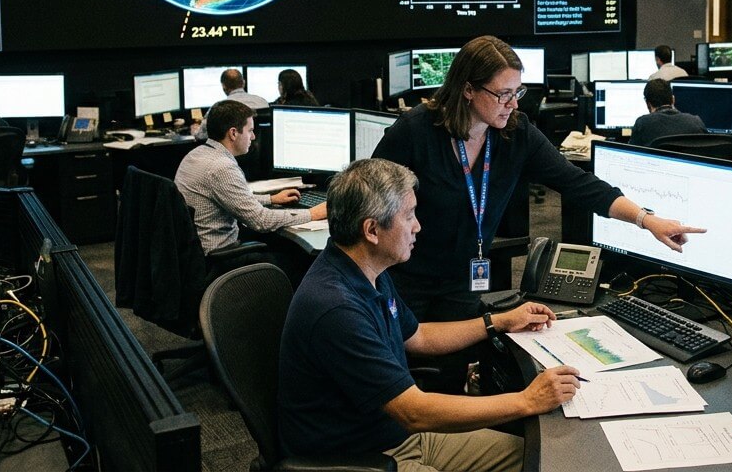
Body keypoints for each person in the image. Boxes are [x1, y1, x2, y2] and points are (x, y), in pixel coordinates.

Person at [308, 36, 704, 325]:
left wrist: (646, 220)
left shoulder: (516, 133)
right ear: (467, 90)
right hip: (406, 277)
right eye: (502, 94)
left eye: (518, 92)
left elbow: (577, 183)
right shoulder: (416, 131)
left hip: (465, 277)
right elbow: (368, 197)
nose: (513, 104)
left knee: (455, 371)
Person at [278, 158, 579, 470]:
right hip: (359, 458)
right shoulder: (337, 308)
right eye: (408, 216)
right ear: (372, 230)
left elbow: (418, 336)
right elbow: (414, 411)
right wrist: (528, 401)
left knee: (537, 461)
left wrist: (498, 322)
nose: (417, 226)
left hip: (395, 436)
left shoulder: (367, 270)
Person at [174, 100, 306, 267]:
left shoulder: (196, 154)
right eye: (250, 130)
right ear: (233, 133)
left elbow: (233, 197)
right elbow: (261, 221)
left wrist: (271, 199)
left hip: (198, 254)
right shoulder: (222, 167)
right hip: (221, 257)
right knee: (297, 262)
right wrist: (313, 214)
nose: (253, 136)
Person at [629, 79, 707, 147]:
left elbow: (631, 155)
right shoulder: (696, 122)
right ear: (673, 100)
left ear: (648, 104)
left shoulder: (642, 124)